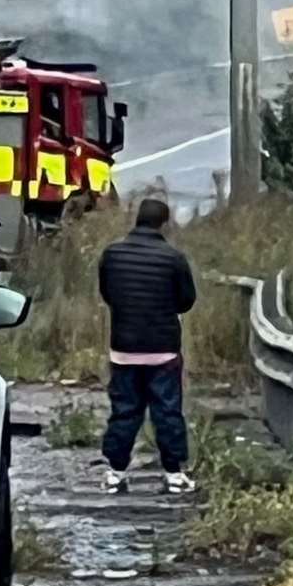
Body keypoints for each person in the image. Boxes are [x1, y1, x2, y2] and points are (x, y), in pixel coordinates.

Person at [97, 197, 198, 495]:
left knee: (125, 410)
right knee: (167, 411)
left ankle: (115, 473)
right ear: (163, 223)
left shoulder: (112, 254)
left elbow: (108, 293)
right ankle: (173, 474)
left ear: (136, 219)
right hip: (163, 350)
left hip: (124, 348)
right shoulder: (173, 258)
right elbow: (186, 300)